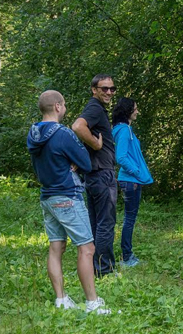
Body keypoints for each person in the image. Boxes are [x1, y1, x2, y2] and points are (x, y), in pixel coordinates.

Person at [27, 90, 110, 314]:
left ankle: (61, 299)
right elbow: (85, 161)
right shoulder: (62, 133)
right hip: (67, 195)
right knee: (87, 247)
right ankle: (93, 303)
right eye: (63, 105)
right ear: (57, 106)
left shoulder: (33, 133)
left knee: (56, 247)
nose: (64, 108)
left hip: (47, 197)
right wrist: (73, 161)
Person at [72, 74, 118, 277]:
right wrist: (95, 143)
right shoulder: (95, 108)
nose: (108, 92)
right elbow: (77, 126)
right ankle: (104, 270)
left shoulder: (98, 109)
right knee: (105, 223)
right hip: (102, 174)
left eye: (112, 89)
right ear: (94, 90)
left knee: (96, 223)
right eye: (104, 88)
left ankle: (93, 267)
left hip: (94, 174)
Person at [112, 97, 153, 267]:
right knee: (129, 219)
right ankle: (127, 257)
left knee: (129, 218)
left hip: (129, 180)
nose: (137, 111)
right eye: (135, 108)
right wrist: (136, 172)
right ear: (128, 111)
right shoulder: (124, 131)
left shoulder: (122, 129)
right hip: (130, 180)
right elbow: (120, 156)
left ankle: (127, 254)